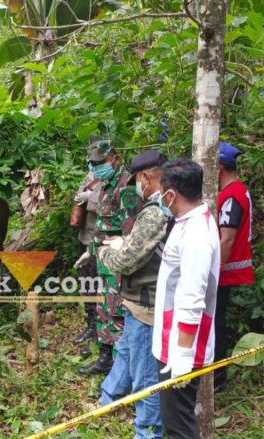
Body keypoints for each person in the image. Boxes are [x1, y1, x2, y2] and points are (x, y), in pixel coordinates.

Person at [96, 150, 170, 439]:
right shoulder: (163, 206)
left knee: (146, 378)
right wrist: (125, 241)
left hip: (147, 304)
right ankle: (109, 398)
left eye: (137, 181)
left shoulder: (156, 211)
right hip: (137, 300)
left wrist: (105, 253)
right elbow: (145, 247)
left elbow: (126, 262)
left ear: (146, 177)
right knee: (126, 352)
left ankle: (147, 432)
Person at [153, 158, 220, 438]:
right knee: (173, 423)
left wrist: (182, 354)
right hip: (170, 340)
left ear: (171, 195)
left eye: (161, 193)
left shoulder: (196, 236)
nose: (159, 198)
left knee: (179, 427)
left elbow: (193, 299)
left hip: (181, 348)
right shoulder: (185, 222)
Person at [75, 139, 141, 375]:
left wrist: (121, 261)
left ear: (115, 158)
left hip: (119, 263)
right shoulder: (104, 185)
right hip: (104, 260)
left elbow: (130, 231)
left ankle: (120, 365)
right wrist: (91, 251)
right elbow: (103, 224)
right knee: (104, 308)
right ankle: (105, 358)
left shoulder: (126, 187)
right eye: (93, 164)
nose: (96, 168)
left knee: (117, 312)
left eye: (100, 162)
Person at [214, 141, 254, 392]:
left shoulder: (231, 195)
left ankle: (217, 378)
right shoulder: (237, 191)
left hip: (224, 272)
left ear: (218, 167)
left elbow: (226, 239)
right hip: (225, 270)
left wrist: (215, 270)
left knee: (215, 324)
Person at [72, 172, 103, 356]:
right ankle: (91, 327)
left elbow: (114, 205)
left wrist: (91, 197)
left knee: (99, 289)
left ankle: (100, 334)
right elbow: (78, 195)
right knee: (87, 286)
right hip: (85, 239)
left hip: (100, 242)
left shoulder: (117, 178)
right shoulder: (90, 175)